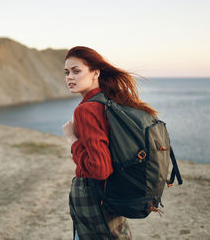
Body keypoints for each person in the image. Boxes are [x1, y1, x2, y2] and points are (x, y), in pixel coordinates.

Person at [62, 46, 157, 240]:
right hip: (111, 194)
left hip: (94, 197)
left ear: (95, 73)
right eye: (67, 72)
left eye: (76, 71)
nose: (69, 77)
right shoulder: (108, 101)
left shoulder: (86, 110)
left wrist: (72, 139)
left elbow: (99, 168)